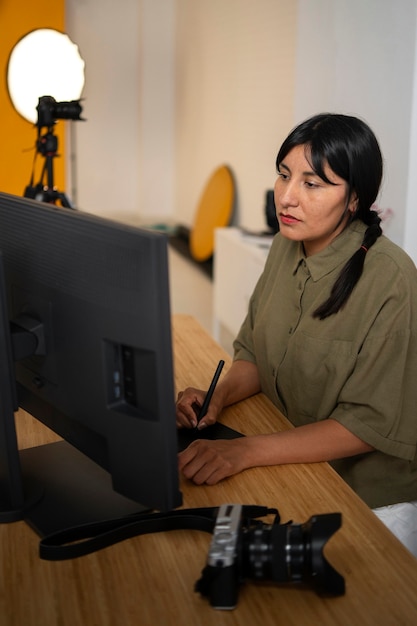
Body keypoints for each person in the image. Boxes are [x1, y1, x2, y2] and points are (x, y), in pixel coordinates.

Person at [176, 113, 417, 556]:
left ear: (354, 199)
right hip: (292, 456)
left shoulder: (393, 279)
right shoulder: (286, 244)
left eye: (313, 184)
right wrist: (220, 396)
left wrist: (245, 452)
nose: (287, 198)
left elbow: (368, 425)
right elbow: (254, 353)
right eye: (284, 176)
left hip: (370, 498)